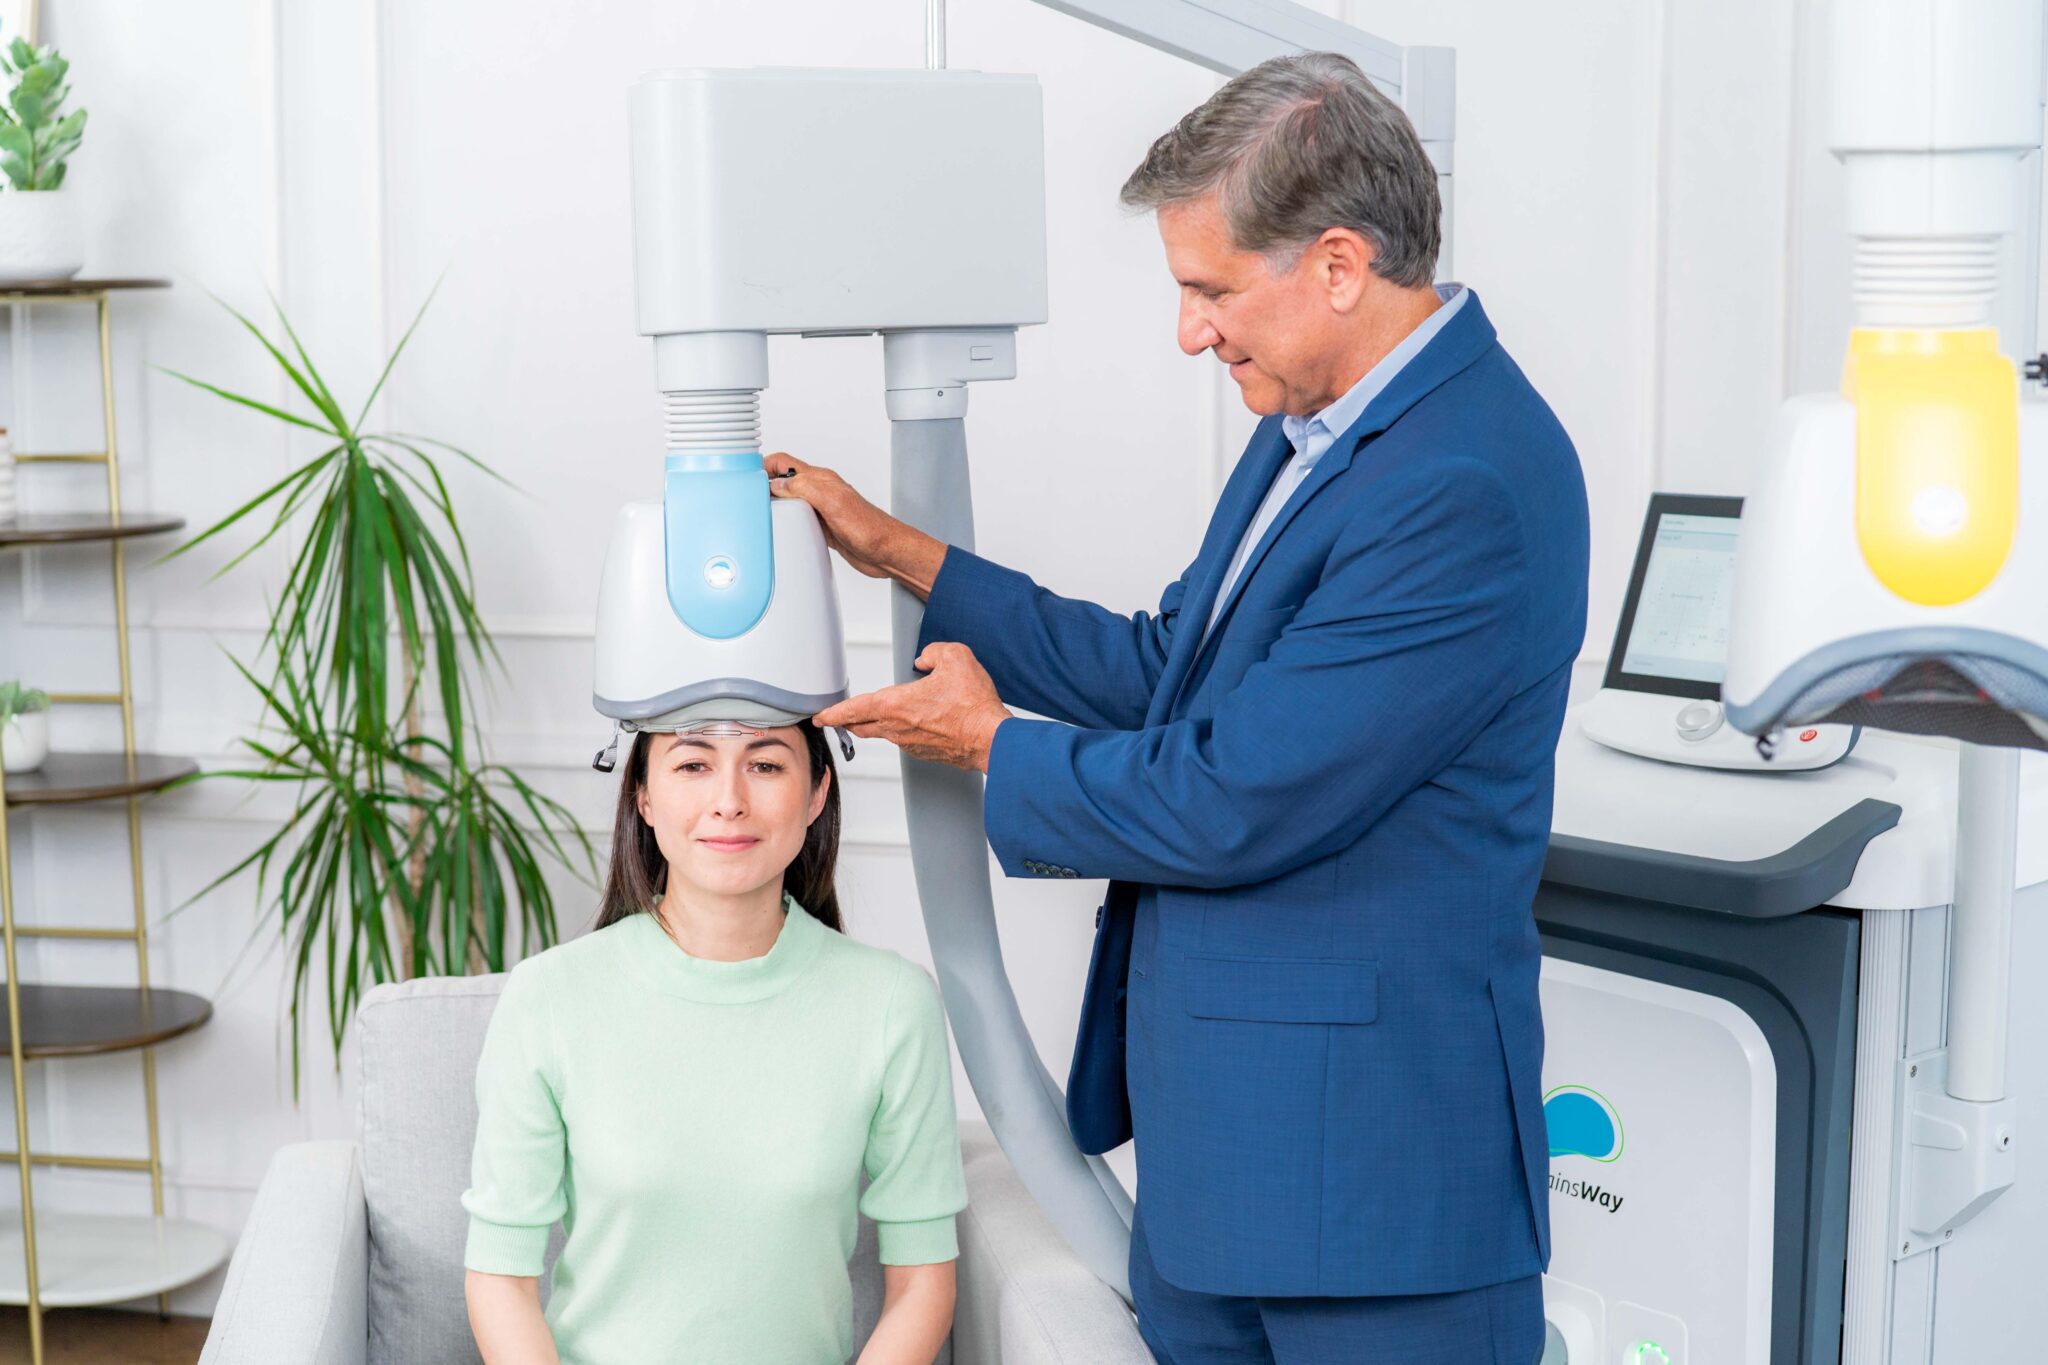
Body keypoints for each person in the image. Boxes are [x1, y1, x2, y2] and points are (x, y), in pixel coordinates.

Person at [766, 51, 1589, 1365]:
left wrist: (995, 747)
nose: (1191, 331)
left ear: (1335, 264)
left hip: (1372, 1202)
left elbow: (1236, 792)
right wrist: (908, 557)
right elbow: (1172, 671)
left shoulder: (1466, 484)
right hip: (1224, 1179)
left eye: (1209, 290)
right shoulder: (1304, 427)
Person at [461, 717, 965, 1365]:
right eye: (693, 764)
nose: (728, 799)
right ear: (642, 793)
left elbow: (924, 1280)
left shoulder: (894, 1003)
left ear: (816, 792)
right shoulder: (547, 997)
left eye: (765, 764)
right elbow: (500, 1275)